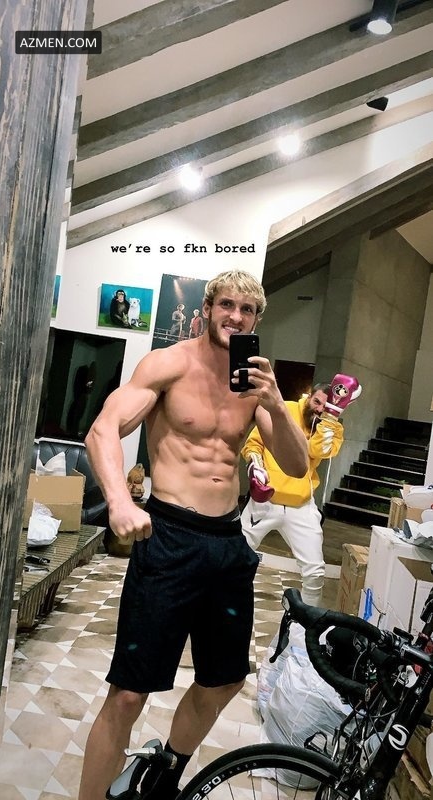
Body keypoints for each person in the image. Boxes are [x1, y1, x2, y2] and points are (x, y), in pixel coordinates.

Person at [78, 270, 308, 800]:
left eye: (247, 310)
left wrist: (276, 402)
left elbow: (296, 465)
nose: (236, 317)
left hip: (226, 544)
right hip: (169, 538)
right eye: (226, 304)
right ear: (206, 309)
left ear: (257, 319)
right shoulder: (169, 365)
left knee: (224, 680)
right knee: (129, 694)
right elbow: (102, 430)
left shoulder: (255, 385)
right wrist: (119, 501)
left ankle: (162, 774)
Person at [241, 377, 361, 607]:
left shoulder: (330, 425)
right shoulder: (284, 409)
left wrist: (332, 416)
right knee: (235, 558)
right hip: (265, 501)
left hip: (301, 505)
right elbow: (254, 443)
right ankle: (225, 608)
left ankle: (306, 625)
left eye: (324, 406)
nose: (319, 409)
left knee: (315, 572)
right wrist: (255, 465)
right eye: (317, 402)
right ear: (308, 396)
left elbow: (319, 450)